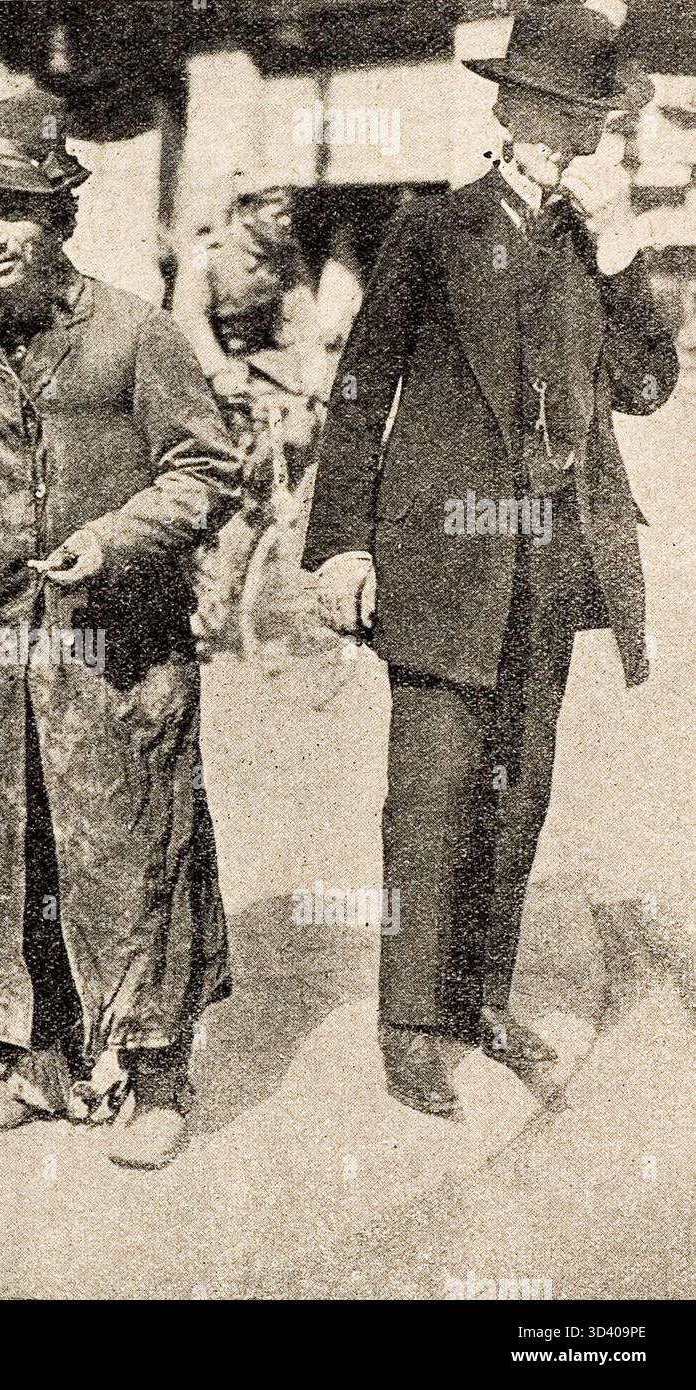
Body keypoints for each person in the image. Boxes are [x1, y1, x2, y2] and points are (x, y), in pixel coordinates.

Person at [302, 3, 678, 1118]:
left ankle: (481, 997)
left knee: (519, 796)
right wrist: (341, 544)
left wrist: (621, 263)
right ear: (516, 117)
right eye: (569, 122)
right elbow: (360, 392)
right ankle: (410, 1023)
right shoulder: (433, 230)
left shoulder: (589, 248)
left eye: (593, 128)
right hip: (442, 565)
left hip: (552, 569)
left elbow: (649, 388)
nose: (581, 146)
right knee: (432, 797)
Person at [0, 90, 240, 1169]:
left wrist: (117, 539)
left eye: (10, 211)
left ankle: (159, 1072)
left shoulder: (137, 330)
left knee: (140, 853)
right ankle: (30, 1058)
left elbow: (206, 467)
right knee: (6, 851)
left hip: (119, 653)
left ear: (57, 218)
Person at [171, 174, 327, 655]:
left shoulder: (286, 256)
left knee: (294, 446)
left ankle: (247, 609)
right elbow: (188, 317)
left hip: (262, 376)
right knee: (215, 490)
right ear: (243, 211)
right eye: (273, 210)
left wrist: (314, 383)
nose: (285, 219)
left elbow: (304, 328)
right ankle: (199, 611)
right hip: (204, 376)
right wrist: (219, 374)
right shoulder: (206, 251)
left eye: (288, 209)